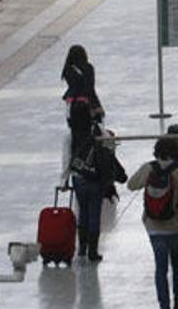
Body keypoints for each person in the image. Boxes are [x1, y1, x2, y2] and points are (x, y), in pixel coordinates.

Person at [128, 139, 178, 309]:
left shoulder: (149, 168)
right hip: (177, 227)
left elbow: (131, 185)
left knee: (160, 268)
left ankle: (164, 305)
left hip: (154, 227)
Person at [60, 100, 113, 262]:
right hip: (95, 178)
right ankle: (93, 251)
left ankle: (82, 247)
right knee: (94, 213)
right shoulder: (97, 130)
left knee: (82, 212)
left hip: (79, 178)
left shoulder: (70, 135)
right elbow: (109, 145)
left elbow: (66, 158)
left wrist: (64, 180)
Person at [62, 44, 104, 123]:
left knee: (74, 125)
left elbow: (73, 85)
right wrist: (97, 105)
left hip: (71, 101)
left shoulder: (67, 69)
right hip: (84, 101)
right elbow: (90, 88)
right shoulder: (88, 68)